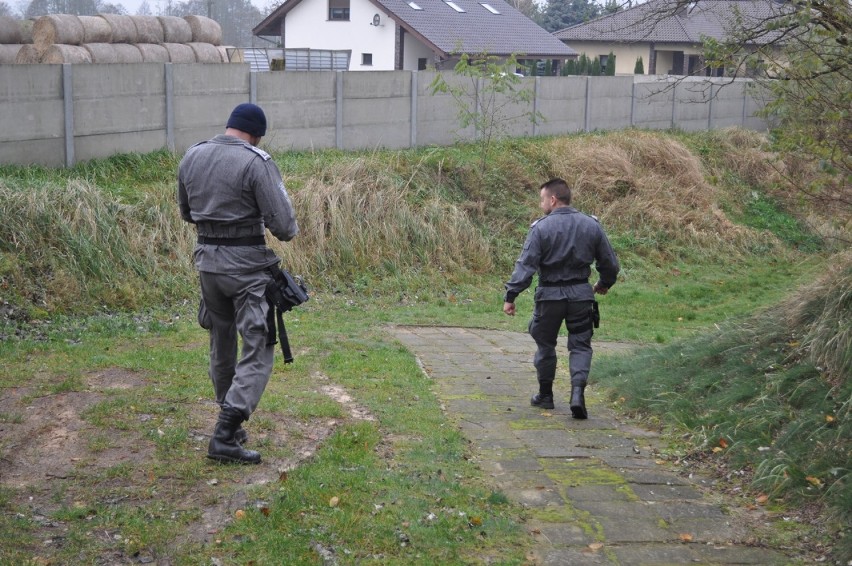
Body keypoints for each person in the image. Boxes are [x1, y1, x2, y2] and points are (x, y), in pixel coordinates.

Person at [178, 103, 299, 464]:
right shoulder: (255, 162)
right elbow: (285, 228)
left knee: (221, 341)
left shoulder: (192, 155)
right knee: (258, 346)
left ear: (230, 126)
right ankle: (225, 434)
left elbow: (186, 213)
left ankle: (226, 418)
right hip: (246, 269)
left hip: (208, 266)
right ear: (256, 134)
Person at [503, 178, 619, 419]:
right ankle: (577, 393)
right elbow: (609, 263)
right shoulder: (591, 225)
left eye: (542, 199)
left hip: (549, 297)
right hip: (580, 296)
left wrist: (511, 295)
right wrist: (604, 283)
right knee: (580, 344)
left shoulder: (541, 228)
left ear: (553, 199)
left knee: (545, 343)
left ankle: (545, 395)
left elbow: (526, 265)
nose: (541, 204)